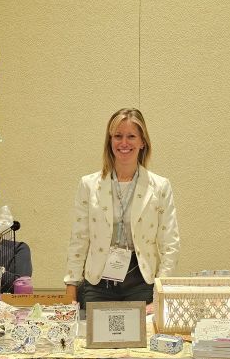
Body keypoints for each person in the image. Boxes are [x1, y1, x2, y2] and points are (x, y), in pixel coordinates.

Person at [64, 108, 180, 305]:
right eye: (118, 136)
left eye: (131, 136)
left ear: (143, 142)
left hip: (141, 281)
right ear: (110, 141)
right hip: (98, 282)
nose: (124, 143)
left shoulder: (160, 187)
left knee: (141, 327)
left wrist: (161, 293)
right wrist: (71, 286)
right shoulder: (88, 185)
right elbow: (79, 238)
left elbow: (170, 243)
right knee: (95, 327)